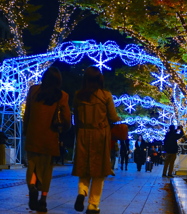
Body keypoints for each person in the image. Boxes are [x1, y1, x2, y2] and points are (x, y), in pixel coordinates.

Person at [72, 66, 120, 214]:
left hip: (83, 134)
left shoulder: (78, 95)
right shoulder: (105, 95)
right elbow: (112, 117)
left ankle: (82, 192)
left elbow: (76, 118)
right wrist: (120, 119)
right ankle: (93, 205)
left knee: (84, 167)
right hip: (100, 134)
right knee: (99, 171)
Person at [23, 66, 71, 212]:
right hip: (50, 136)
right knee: (46, 169)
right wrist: (64, 129)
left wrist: (27, 131)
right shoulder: (62, 95)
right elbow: (66, 118)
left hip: (33, 135)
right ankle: (43, 200)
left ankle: (32, 188)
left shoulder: (34, 90)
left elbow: (28, 113)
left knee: (33, 166)